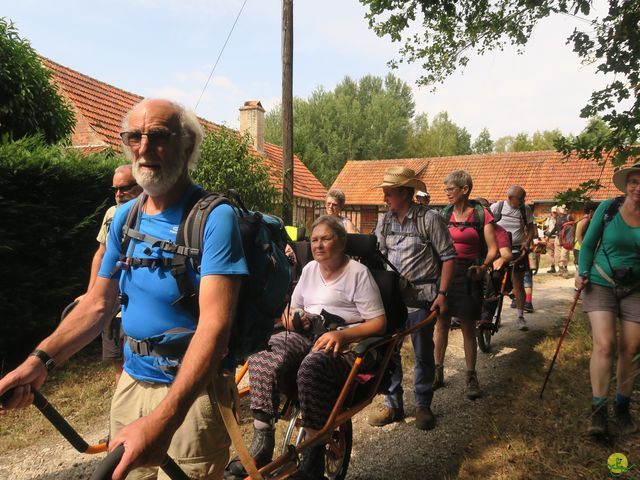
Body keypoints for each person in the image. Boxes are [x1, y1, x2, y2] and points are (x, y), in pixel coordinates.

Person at [0, 99, 249, 480]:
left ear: (187, 146)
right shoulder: (125, 218)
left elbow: (216, 329)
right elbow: (97, 305)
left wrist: (165, 419)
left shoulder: (215, 218)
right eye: (134, 136)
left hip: (193, 396)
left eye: (159, 136)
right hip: (132, 383)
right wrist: (39, 362)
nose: (144, 148)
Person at [227, 215, 386, 480]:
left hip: (342, 342)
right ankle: (263, 441)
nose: (319, 244)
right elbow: (296, 306)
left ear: (342, 241)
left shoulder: (358, 273)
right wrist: (291, 318)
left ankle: (313, 457)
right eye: (314, 239)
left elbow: (379, 322)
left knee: (311, 367)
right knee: (261, 352)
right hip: (305, 334)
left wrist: (343, 337)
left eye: (326, 238)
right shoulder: (310, 269)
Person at [368, 166, 456, 430]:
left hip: (423, 296)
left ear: (405, 193)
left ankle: (423, 405)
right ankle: (393, 405)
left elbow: (449, 257)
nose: (385, 199)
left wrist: (442, 294)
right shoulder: (384, 222)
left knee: (422, 352)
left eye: (389, 194)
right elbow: (377, 254)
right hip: (392, 299)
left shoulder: (430, 219)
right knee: (389, 352)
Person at [576, 162, 640, 438]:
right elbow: (588, 244)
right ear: (626, 185)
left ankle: (622, 405)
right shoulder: (608, 209)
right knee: (605, 345)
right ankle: (598, 410)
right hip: (601, 281)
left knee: (632, 347)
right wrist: (582, 272)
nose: (638, 187)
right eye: (634, 181)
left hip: (636, 287)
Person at [433, 172, 498, 399]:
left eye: (450, 189)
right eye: (446, 189)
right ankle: (437, 372)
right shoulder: (443, 214)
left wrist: (483, 267)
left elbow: (493, 250)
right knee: (441, 323)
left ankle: (471, 377)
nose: (447, 193)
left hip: (471, 274)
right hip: (446, 273)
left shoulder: (482, 215)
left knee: (468, 328)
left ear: (465, 189)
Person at [77, 165, 142, 383]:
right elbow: (101, 254)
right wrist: (91, 294)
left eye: (124, 188)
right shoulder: (111, 214)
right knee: (117, 358)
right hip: (111, 301)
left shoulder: (152, 214)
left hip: (137, 303)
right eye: (115, 189)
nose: (118, 194)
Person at [491, 186, 534, 331]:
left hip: (518, 249)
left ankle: (520, 316)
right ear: (510, 198)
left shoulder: (525, 209)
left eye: (523, 198)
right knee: (495, 282)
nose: (523, 201)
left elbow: (530, 228)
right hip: (499, 250)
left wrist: (527, 242)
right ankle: (495, 314)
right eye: (520, 198)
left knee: (519, 284)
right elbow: (488, 226)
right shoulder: (497, 207)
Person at [573, 201, 599, 268]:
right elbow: (578, 234)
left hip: (580, 248)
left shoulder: (588, 219)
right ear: (591, 211)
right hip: (579, 248)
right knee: (581, 269)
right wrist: (583, 247)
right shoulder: (585, 219)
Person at [548, 205, 572, 276]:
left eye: (557, 210)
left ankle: (565, 268)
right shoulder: (558, 218)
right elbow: (555, 228)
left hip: (565, 238)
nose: (555, 212)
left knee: (564, 254)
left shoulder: (568, 217)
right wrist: (549, 236)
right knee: (557, 254)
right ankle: (560, 268)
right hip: (558, 238)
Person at [544, 206, 559, 273]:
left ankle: (561, 267)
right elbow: (546, 228)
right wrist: (546, 236)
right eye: (553, 212)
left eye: (555, 212)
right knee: (550, 253)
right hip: (550, 238)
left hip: (557, 237)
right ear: (551, 212)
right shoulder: (549, 219)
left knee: (558, 253)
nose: (554, 214)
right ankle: (552, 267)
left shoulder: (559, 219)